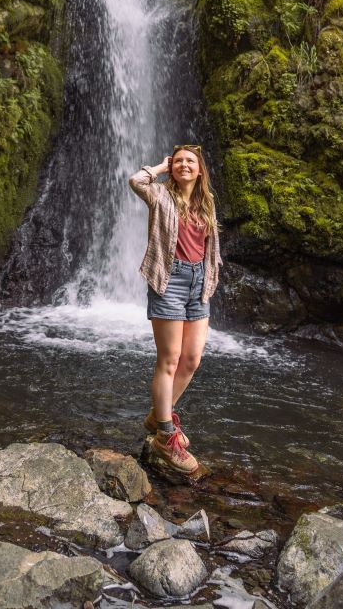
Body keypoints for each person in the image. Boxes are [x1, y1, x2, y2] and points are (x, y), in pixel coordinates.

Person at [129, 144, 222, 473]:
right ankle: (166, 434)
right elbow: (135, 181)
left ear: (200, 170)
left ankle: (158, 415)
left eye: (190, 161)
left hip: (199, 283)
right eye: (179, 160)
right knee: (169, 359)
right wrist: (161, 166)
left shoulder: (206, 203)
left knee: (192, 358)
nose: (184, 165)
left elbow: (210, 248)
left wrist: (208, 278)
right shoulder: (161, 196)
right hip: (169, 279)